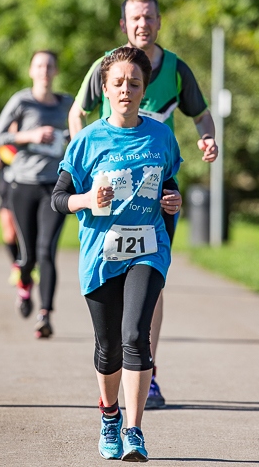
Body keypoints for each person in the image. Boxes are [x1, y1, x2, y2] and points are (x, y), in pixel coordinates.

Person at [68, 0, 219, 409]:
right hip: (109, 197)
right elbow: (78, 112)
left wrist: (206, 136)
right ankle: (113, 366)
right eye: (135, 18)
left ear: (158, 22)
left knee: (151, 275)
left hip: (155, 192)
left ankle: (146, 370)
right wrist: (78, 157)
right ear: (124, 24)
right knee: (111, 285)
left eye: (149, 17)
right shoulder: (109, 66)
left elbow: (199, 112)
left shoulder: (173, 68)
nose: (143, 24)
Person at [52, 46, 182, 462]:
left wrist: (173, 200)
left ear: (144, 90)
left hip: (149, 249)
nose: (127, 89)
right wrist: (87, 198)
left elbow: (170, 184)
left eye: (135, 83)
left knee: (134, 338)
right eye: (119, 83)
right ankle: (109, 416)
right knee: (107, 347)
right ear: (105, 89)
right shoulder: (87, 140)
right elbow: (59, 198)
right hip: (100, 255)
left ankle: (134, 429)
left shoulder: (161, 135)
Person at [0, 50, 74, 339]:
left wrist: (65, 138)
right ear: (31, 70)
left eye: (49, 65)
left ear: (55, 71)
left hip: (55, 186)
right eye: (39, 65)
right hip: (22, 184)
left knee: (46, 250)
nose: (44, 70)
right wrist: (31, 136)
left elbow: (80, 137)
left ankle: (45, 314)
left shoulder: (68, 104)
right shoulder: (21, 101)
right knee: (27, 256)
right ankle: (24, 284)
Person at [0, 123, 21, 286]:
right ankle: (17, 266)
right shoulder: (1, 136)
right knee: (9, 232)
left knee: (27, 230)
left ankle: (29, 263)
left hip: (26, 188)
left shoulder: (31, 135)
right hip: (6, 188)